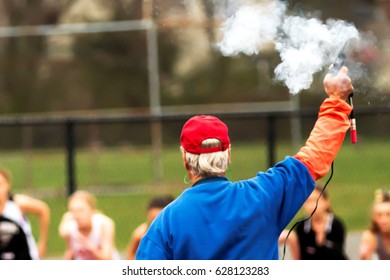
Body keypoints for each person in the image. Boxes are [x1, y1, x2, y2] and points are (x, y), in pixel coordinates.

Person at [135, 66, 354, 260]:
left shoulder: (166, 223)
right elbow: (313, 158)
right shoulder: (263, 196)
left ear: (185, 160)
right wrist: (335, 100)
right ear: (228, 155)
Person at [279, 185, 348, 259]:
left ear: (326, 202)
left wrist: (321, 240)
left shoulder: (336, 225)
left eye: (316, 200)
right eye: (308, 201)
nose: (312, 206)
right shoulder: (301, 226)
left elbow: (337, 254)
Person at [0, 168, 50, 260]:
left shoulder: (17, 203)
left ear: (8, 185)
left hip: (25, 255)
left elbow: (43, 209)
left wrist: (42, 242)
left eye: (0, 185)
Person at [58, 190, 120, 260]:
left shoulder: (104, 224)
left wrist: (88, 246)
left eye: (81, 210)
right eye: (73, 211)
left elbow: (107, 257)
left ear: (91, 210)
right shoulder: (71, 226)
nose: (77, 215)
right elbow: (70, 250)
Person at [126, 194, 174, 259]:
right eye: (152, 218)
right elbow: (130, 254)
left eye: (157, 219)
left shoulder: (174, 232)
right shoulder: (140, 234)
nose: (154, 222)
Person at [359, 189, 390, 260]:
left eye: (388, 215)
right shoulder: (371, 236)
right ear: (374, 217)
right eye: (379, 215)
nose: (384, 220)